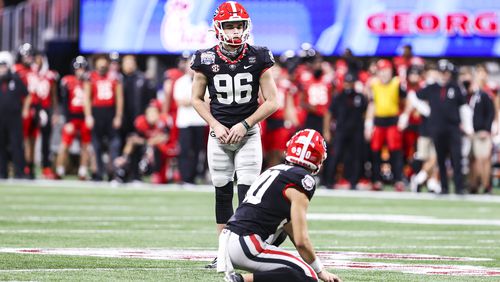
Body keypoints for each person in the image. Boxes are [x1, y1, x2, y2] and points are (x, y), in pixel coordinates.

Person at [190, 1, 278, 268]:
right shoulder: (204, 57)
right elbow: (196, 98)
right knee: (222, 192)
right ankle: (224, 252)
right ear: (219, 28)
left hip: (248, 134)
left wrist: (245, 124)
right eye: (230, 25)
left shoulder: (259, 56)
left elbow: (272, 101)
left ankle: (247, 248)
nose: (235, 30)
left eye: (239, 24)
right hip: (219, 135)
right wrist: (215, 125)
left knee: (248, 193)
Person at [218, 129, 341, 282]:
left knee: (283, 235)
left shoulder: (275, 170)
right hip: (247, 243)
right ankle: (239, 280)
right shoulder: (303, 180)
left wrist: (319, 269)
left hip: (229, 240)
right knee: (308, 276)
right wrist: (318, 270)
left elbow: (290, 229)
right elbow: (301, 241)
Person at [415, 60, 470, 194]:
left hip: (453, 129)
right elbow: (415, 97)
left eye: (446, 72)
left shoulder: (456, 88)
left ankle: (458, 187)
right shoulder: (431, 87)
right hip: (437, 128)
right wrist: (427, 111)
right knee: (440, 159)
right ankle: (444, 186)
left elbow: (463, 108)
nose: (444, 75)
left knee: (457, 158)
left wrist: (468, 127)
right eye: (442, 72)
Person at [365, 59, 406, 191]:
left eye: (386, 71)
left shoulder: (397, 83)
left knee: (395, 152)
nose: (384, 74)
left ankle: (398, 179)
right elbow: (372, 103)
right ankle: (376, 180)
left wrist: (404, 115)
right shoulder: (373, 84)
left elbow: (406, 100)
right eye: (381, 71)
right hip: (378, 120)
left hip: (392, 120)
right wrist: (368, 122)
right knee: (375, 152)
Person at [323, 73, 367, 189]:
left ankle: (353, 182)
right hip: (341, 130)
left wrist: (366, 127)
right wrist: (326, 131)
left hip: (356, 131)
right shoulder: (338, 97)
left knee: (356, 157)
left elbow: (365, 113)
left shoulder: (360, 97)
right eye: (347, 82)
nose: (348, 85)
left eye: (351, 82)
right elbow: (329, 114)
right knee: (336, 155)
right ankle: (329, 181)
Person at [83, 54, 124, 181]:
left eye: (104, 62)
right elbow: (87, 98)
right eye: (99, 63)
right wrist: (88, 115)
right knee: (97, 145)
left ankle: (113, 172)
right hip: (97, 112)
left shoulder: (114, 78)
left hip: (110, 112)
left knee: (114, 144)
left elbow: (119, 98)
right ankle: (98, 173)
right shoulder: (91, 77)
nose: (102, 65)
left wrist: (118, 116)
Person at [55, 56, 91, 180]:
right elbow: (65, 103)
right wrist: (67, 121)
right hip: (72, 118)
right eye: (78, 68)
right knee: (64, 144)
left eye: (83, 68)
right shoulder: (68, 81)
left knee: (85, 145)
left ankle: (83, 171)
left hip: (85, 117)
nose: (80, 71)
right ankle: (59, 170)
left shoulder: (89, 82)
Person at [173, 65, 207, 184]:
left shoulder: (204, 79)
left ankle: (193, 177)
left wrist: (193, 100)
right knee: (185, 150)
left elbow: (207, 100)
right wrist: (196, 100)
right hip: (185, 122)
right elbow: (180, 101)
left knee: (198, 150)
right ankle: (184, 177)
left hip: (200, 120)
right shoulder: (180, 82)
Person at [0, 51, 28, 179]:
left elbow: (27, 95)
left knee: (16, 144)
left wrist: (25, 109)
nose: (2, 68)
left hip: (14, 118)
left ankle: (19, 172)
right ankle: (2, 172)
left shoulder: (16, 79)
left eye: (4, 65)